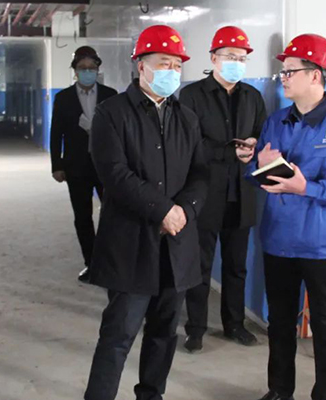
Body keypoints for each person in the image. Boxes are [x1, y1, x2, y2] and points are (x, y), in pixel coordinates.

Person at [83, 25, 209, 400]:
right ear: (141, 65)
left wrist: (184, 210)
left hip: (177, 245)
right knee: (118, 335)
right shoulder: (111, 114)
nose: (172, 70)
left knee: (164, 333)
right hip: (131, 244)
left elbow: (201, 174)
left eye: (177, 64)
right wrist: (163, 211)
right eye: (163, 63)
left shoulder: (187, 118)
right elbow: (114, 174)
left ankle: (151, 395)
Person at [246, 34, 326, 400]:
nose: (283, 79)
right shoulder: (275, 122)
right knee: (279, 322)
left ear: (315, 74)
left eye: (290, 71)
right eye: (282, 72)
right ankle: (279, 390)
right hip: (279, 240)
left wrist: (307, 188)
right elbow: (259, 176)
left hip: (323, 244)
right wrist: (253, 165)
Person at [179, 26, 266, 350]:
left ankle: (234, 324)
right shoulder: (191, 96)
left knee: (236, 266)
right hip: (204, 192)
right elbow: (189, 143)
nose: (236, 63)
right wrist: (229, 153)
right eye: (230, 56)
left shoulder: (253, 97)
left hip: (242, 193)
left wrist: (255, 144)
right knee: (200, 266)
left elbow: (263, 134)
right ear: (214, 58)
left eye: (242, 58)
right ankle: (196, 328)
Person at [50, 45, 117, 282]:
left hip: (106, 166)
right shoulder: (63, 98)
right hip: (76, 166)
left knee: (112, 214)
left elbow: (119, 131)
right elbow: (56, 133)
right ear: (75, 70)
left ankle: (111, 262)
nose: (87, 72)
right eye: (82, 68)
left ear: (98, 69)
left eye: (91, 68)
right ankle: (91, 264)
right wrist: (57, 165)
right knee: (82, 216)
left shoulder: (110, 95)